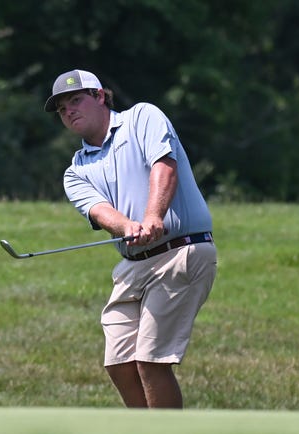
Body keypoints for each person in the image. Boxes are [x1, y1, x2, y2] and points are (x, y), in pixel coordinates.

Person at [44, 69, 217, 408]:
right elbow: (99, 211)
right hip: (133, 265)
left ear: (99, 96)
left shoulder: (142, 118)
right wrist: (127, 227)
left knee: (150, 362)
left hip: (179, 253)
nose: (70, 112)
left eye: (76, 100)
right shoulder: (76, 170)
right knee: (120, 363)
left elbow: (164, 167)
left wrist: (153, 216)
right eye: (63, 109)